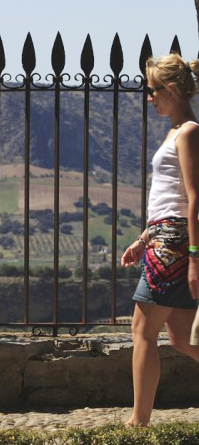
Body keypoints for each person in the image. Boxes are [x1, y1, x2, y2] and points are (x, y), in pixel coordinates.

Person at [120, 53, 199, 427]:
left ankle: (138, 423)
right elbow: (170, 199)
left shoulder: (189, 132)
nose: (149, 97)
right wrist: (143, 238)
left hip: (174, 243)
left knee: (142, 331)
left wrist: (195, 258)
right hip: (164, 236)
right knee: (183, 339)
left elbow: (193, 197)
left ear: (170, 90)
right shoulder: (175, 131)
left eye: (152, 90)